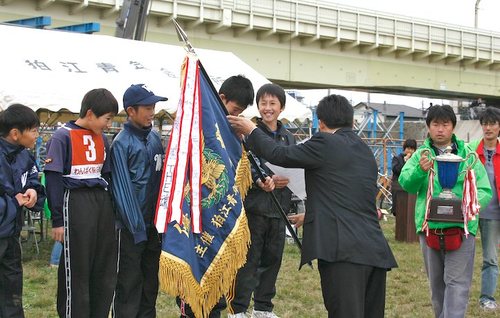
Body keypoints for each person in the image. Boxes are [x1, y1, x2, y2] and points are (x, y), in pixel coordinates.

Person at [228, 94, 398, 318]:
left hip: (343, 253)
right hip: (374, 251)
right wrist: (310, 216)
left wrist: (252, 129)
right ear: (350, 121)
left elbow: (278, 154)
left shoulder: (325, 141)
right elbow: (350, 200)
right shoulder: (364, 150)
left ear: (322, 123)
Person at [176, 75, 260, 318]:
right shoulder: (198, 126)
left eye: (241, 112)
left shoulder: (232, 134)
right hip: (196, 216)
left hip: (220, 218)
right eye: (234, 109)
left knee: (217, 287)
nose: (236, 116)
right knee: (193, 287)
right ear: (221, 99)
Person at [398, 105, 492, 318]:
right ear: (429, 128)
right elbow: (406, 183)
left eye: (445, 124)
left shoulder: (468, 155)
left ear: (453, 127)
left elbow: (485, 190)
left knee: (457, 285)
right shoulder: (421, 154)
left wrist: (467, 208)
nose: (440, 129)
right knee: (437, 287)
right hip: (429, 228)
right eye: (435, 125)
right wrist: (420, 172)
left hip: (462, 228)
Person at [44, 88, 119, 318]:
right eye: (107, 119)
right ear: (90, 113)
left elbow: (106, 175)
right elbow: (53, 179)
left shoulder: (102, 139)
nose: (108, 125)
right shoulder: (62, 136)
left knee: (102, 266)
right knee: (78, 267)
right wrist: (57, 220)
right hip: (75, 201)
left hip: (100, 202)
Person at [226, 83, 294, 318]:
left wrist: (288, 180)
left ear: (281, 108)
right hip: (255, 207)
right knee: (248, 260)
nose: (267, 108)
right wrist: (260, 180)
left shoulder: (288, 137)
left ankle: (263, 307)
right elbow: (246, 161)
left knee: (272, 259)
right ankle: (238, 308)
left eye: (272, 103)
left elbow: (293, 164)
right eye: (263, 103)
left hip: (279, 207)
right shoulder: (250, 132)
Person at [110, 84, 167, 317]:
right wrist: (137, 228)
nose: (152, 112)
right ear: (131, 111)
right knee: (128, 284)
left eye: (153, 106)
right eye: (147, 107)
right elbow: (122, 190)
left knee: (150, 284)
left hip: (153, 226)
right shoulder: (121, 144)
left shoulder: (154, 137)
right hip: (130, 230)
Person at [0, 104, 45, 318]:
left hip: (12, 234)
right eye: (34, 130)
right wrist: (14, 203)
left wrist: (33, 191)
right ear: (15, 133)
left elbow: (34, 178)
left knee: (12, 290)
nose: (38, 135)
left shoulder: (24, 156)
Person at [468, 107, 500, 310]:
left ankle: (486, 297)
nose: (488, 128)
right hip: (470, 212)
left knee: (490, 258)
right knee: (461, 257)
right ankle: (457, 293)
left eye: (492, 123)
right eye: (485, 123)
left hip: (493, 215)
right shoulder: (470, 150)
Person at [391, 139, 417, 215]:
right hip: (398, 187)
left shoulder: (415, 160)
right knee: (399, 210)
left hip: (411, 188)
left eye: (412, 149)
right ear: (404, 149)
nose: (410, 151)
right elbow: (396, 170)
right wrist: (405, 162)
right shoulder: (397, 158)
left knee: (411, 211)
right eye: (408, 148)